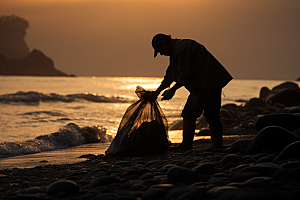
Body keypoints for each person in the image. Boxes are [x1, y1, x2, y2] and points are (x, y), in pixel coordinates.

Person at [149, 33, 233, 151]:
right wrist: (156, 92)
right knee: (188, 114)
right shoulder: (175, 52)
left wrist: (172, 90)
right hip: (199, 87)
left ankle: (217, 146)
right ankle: (186, 144)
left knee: (211, 115)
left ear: (164, 44)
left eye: (160, 50)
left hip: (210, 83)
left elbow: (184, 75)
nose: (161, 53)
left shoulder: (181, 49)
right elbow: (170, 76)